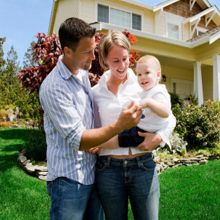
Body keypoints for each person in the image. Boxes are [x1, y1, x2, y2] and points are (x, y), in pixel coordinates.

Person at [39, 17, 143, 220]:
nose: (93, 58)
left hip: (92, 174)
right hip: (68, 180)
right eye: (87, 52)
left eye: (94, 50)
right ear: (67, 52)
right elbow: (79, 139)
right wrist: (119, 125)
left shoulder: (81, 74)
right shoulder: (53, 87)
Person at [92, 31, 176, 220]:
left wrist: (159, 138)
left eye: (125, 58)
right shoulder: (95, 93)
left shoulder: (143, 82)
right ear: (104, 60)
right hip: (109, 169)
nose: (122, 66)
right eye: (115, 61)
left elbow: (170, 117)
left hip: (142, 166)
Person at [118, 54, 174, 149]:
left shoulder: (158, 91)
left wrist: (149, 102)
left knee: (123, 137)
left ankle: (100, 145)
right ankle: (101, 144)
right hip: (142, 128)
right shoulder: (143, 92)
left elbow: (166, 113)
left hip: (148, 131)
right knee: (122, 133)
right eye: (139, 74)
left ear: (158, 75)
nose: (142, 77)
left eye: (147, 73)